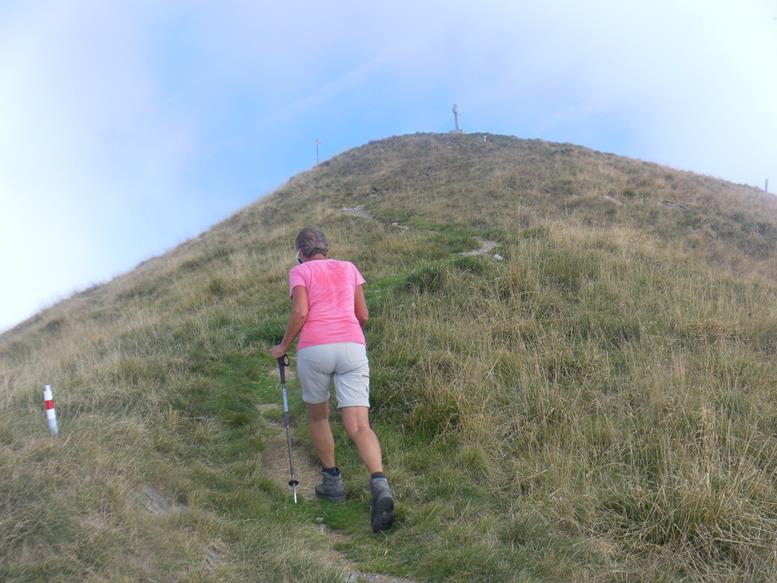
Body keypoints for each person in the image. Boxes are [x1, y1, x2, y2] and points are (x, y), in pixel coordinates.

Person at [270, 226, 394, 533]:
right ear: (326, 248)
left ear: (300, 252)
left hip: (316, 348)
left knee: (318, 416)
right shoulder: (349, 268)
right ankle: (379, 482)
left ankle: (332, 481)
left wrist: (283, 346)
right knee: (360, 426)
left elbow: (300, 312)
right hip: (352, 346)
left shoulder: (300, 272)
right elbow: (362, 315)